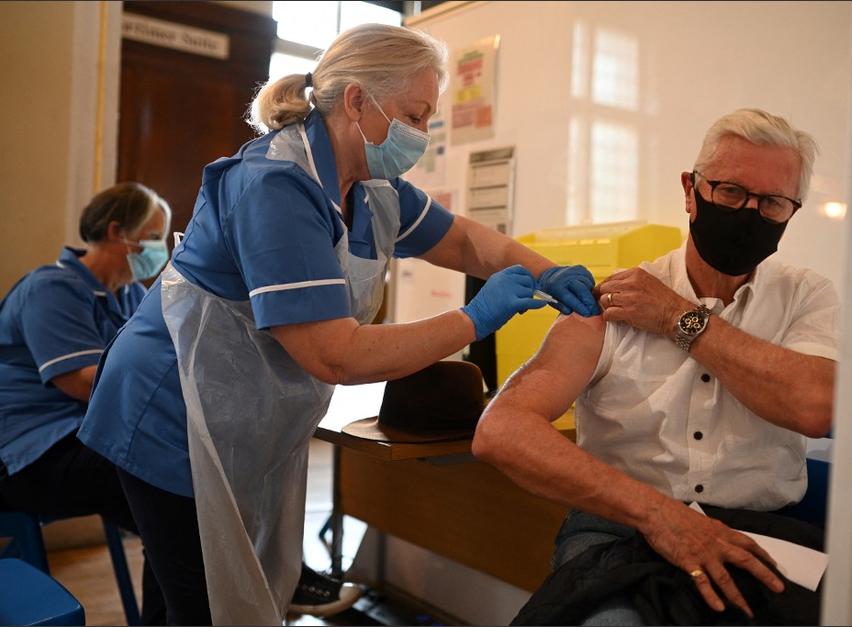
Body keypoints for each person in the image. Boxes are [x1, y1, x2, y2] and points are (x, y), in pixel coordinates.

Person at [76, 23, 600, 626]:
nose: (421, 134)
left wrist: (547, 271)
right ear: (356, 101)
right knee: (205, 602)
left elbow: (463, 240)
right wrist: (473, 317)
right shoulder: (276, 185)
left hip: (232, 409)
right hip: (171, 409)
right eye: (414, 114)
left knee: (189, 591)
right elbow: (336, 356)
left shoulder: (372, 188)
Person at [473, 109, 839, 625]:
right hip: (620, 528)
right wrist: (661, 516)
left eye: (772, 202)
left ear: (791, 212)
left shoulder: (806, 296)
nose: (749, 212)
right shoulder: (618, 299)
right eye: (731, 192)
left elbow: (813, 408)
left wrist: (675, 317)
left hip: (759, 534)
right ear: (691, 191)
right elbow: (501, 431)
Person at [0, 181, 171, 624]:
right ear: (117, 231)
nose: (158, 250)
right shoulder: (51, 289)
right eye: (152, 237)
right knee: (165, 489)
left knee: (176, 507)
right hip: (28, 453)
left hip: (81, 440)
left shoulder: (130, 296)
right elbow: (79, 382)